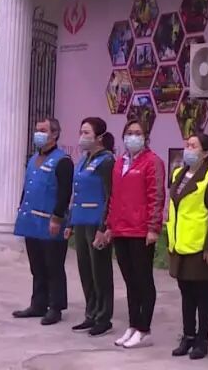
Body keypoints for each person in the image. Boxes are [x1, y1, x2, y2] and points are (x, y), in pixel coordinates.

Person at [103, 119, 165, 349]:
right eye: (129, 132)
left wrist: (153, 227)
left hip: (140, 231)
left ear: (146, 137)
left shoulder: (152, 162)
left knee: (143, 280)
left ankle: (144, 329)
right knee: (130, 281)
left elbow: (156, 196)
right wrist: (110, 225)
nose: (133, 136)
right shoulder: (120, 163)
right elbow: (114, 197)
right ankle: (133, 325)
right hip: (121, 229)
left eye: (138, 133)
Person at [13, 117, 74, 326]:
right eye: (37, 130)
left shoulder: (62, 161)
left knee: (53, 266)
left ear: (54, 134)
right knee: (37, 265)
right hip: (31, 220)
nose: (38, 134)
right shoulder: (34, 158)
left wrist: (57, 218)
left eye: (43, 130)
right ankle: (38, 304)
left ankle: (55, 307)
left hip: (50, 222)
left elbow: (65, 193)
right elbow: (28, 186)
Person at [167, 133, 208, 360]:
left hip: (199, 246)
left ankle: (202, 339)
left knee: (202, 295)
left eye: (193, 146)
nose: (187, 149)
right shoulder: (178, 173)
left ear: (205, 153)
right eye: (187, 145)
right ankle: (188, 335)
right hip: (180, 243)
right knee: (186, 293)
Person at [64, 117, 116, 337]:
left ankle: (103, 317)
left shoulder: (107, 161)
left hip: (96, 222)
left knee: (100, 271)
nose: (82, 137)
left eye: (86, 133)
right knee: (85, 270)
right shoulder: (84, 159)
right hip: (81, 220)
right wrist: (70, 222)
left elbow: (110, 195)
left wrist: (104, 227)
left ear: (99, 137)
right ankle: (91, 313)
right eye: (81, 132)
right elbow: (76, 193)